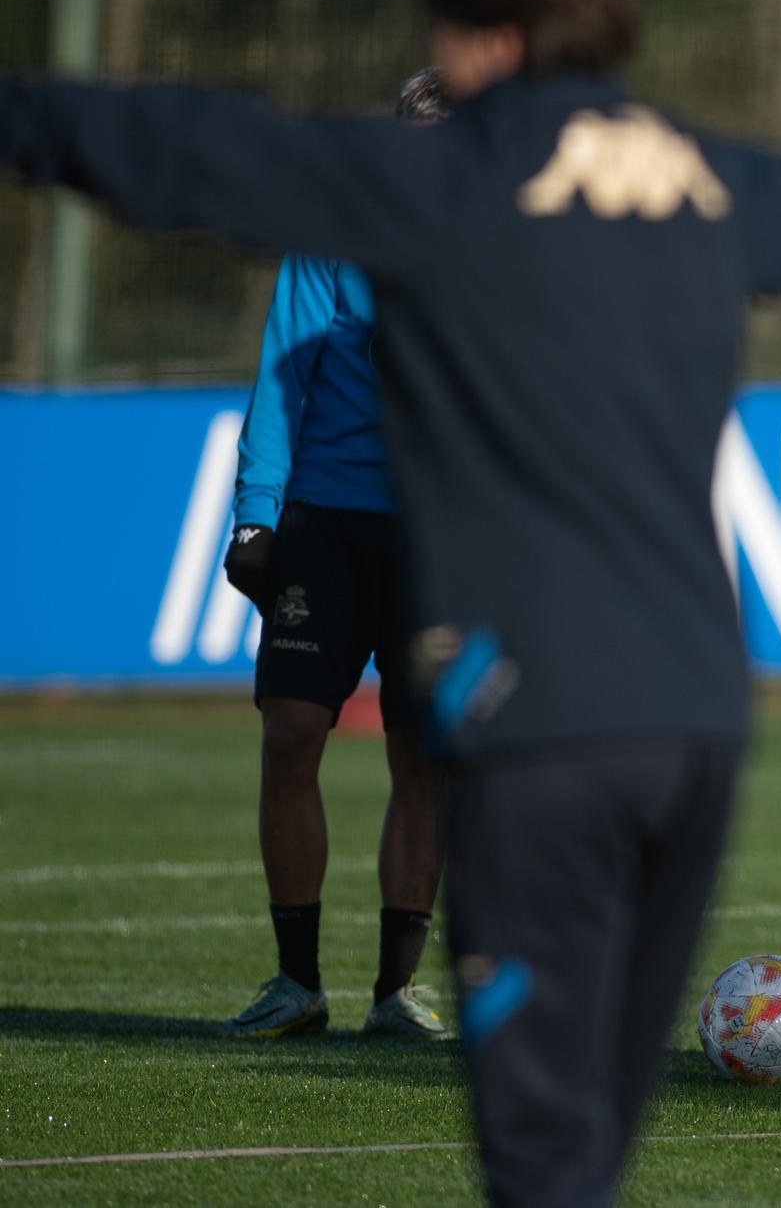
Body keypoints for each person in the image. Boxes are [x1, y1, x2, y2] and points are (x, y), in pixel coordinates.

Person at [0, 0, 781, 1205]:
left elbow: (194, 148)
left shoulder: (445, 175)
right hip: (698, 722)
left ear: (481, 39)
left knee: (541, 1162)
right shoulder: (702, 172)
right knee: (592, 1143)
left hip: (540, 719)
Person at [219, 68, 454, 1043]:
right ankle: (295, 982)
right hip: (325, 523)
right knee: (290, 738)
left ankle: (396, 991)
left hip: (445, 536)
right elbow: (283, 377)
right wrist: (252, 515)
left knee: (422, 754)